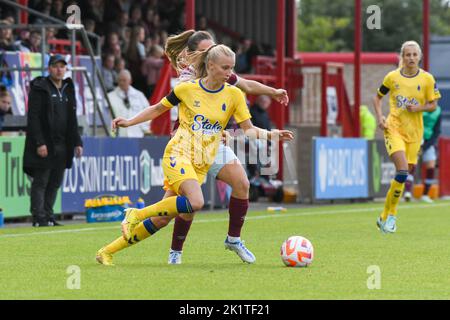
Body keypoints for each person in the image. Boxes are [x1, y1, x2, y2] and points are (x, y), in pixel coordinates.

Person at [96, 30, 289, 266]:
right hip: (184, 147)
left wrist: (272, 97)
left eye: (214, 48)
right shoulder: (187, 82)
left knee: (239, 184)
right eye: (207, 51)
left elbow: (244, 93)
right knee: (182, 208)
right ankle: (161, 244)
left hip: (210, 147)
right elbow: (161, 108)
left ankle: (233, 239)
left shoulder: (228, 82)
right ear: (205, 61)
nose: (229, 71)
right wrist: (129, 121)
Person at [373, 41, 441, 233]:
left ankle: (383, 217)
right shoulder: (392, 77)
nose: (410, 58)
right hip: (394, 129)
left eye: (414, 55)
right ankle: (392, 217)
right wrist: (380, 118)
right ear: (402, 57)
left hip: (415, 134)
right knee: (402, 171)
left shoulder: (427, 79)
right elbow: (377, 98)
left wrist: (419, 107)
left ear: (419, 57)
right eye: (407, 55)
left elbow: (433, 105)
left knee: (403, 175)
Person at [23, 55, 83, 227]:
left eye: (62, 66)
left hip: (63, 144)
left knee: (55, 182)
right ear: (49, 68)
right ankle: (38, 217)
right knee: (41, 180)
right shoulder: (40, 87)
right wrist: (39, 142)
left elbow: (72, 119)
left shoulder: (68, 88)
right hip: (46, 144)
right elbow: (33, 117)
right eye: (56, 66)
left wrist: (77, 142)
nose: (59, 69)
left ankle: (49, 215)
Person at [404, 105, 442, 203]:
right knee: (412, 164)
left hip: (428, 142)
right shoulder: (419, 107)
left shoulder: (438, 111)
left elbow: (437, 130)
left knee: (431, 166)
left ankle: (425, 195)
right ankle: (407, 192)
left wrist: (427, 145)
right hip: (416, 139)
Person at [107, 69, 150, 137]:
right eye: (120, 80)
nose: (121, 83)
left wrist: (144, 129)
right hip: (118, 135)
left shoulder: (139, 95)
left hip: (137, 135)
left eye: (124, 80)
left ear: (130, 81)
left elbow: (148, 113)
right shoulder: (109, 97)